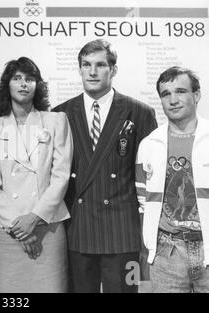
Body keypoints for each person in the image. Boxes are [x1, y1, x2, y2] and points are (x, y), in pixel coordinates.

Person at [52, 39, 157, 293]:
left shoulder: (139, 112)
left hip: (121, 231)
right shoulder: (60, 114)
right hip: (78, 229)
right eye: (86, 64)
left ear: (114, 70)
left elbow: (150, 179)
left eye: (100, 65)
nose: (92, 71)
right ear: (79, 69)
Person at [0, 57, 73, 292]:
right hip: (8, 229)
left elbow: (61, 176)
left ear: (37, 85)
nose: (23, 84)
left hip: (48, 225)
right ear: (7, 85)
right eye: (17, 78)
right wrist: (19, 227)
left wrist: (34, 218)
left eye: (29, 79)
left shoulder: (56, 121)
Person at [136, 66, 209, 292]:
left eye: (180, 91)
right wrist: (150, 246)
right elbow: (142, 200)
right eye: (166, 94)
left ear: (196, 95)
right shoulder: (149, 144)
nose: (173, 99)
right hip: (167, 253)